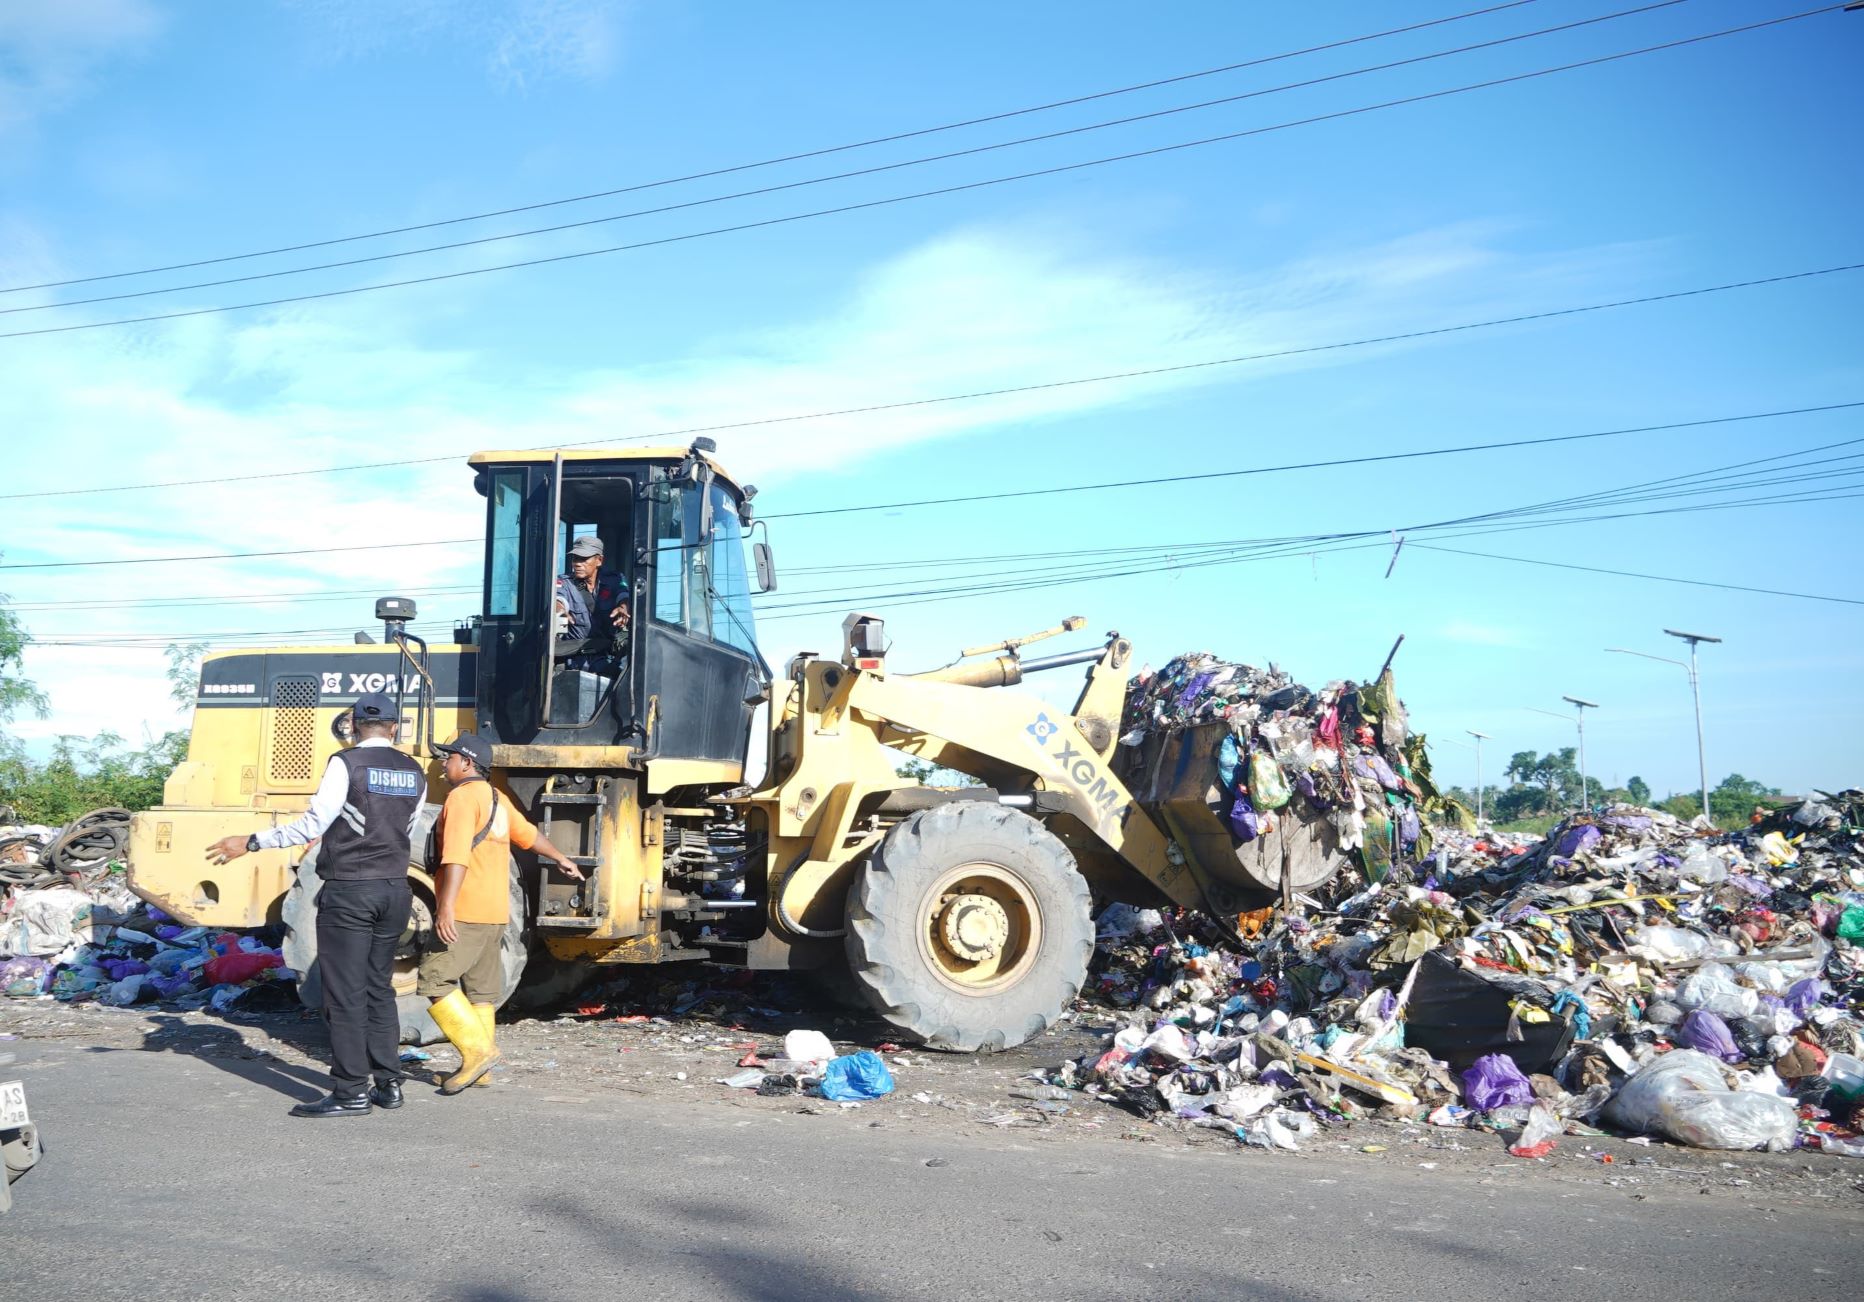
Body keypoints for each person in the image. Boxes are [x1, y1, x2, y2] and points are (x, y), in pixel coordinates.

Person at [205, 692, 424, 1119]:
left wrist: (251, 841)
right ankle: (388, 1084)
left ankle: (350, 1093)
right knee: (379, 989)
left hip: (351, 891)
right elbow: (409, 827)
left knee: (343, 994)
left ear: (355, 725)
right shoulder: (414, 771)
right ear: (395, 727)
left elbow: (313, 824)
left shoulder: (346, 764)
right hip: (396, 891)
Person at [419, 731, 583, 1094]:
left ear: (466, 763)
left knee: (434, 980)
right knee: (480, 992)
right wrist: (561, 858)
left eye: (449, 759)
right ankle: (481, 1068)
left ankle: (478, 1053)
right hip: (495, 913)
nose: (444, 765)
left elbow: (456, 855)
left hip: (466, 910)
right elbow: (528, 836)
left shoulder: (462, 798)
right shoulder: (497, 798)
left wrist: (445, 908)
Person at [554, 534, 630, 646]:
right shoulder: (564, 582)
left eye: (583, 559)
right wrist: (559, 612)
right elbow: (558, 599)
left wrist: (623, 607)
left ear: (599, 560)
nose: (577, 564)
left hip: (605, 657)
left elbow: (623, 595)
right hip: (573, 658)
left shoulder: (614, 579)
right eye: (575, 558)